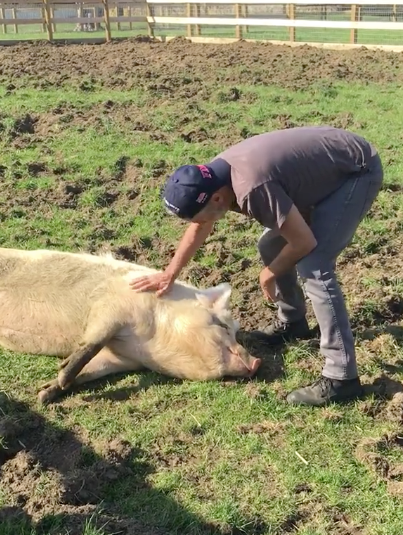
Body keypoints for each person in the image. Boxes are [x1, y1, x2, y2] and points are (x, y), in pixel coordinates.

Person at [130, 126, 384, 407]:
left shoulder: (251, 187)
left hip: (356, 171)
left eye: (198, 217)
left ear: (216, 198)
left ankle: (342, 376)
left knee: (315, 264)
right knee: (270, 246)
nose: (199, 223)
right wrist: (170, 273)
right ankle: (293, 322)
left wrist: (269, 273)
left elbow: (303, 243)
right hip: (326, 169)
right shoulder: (215, 178)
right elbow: (201, 226)